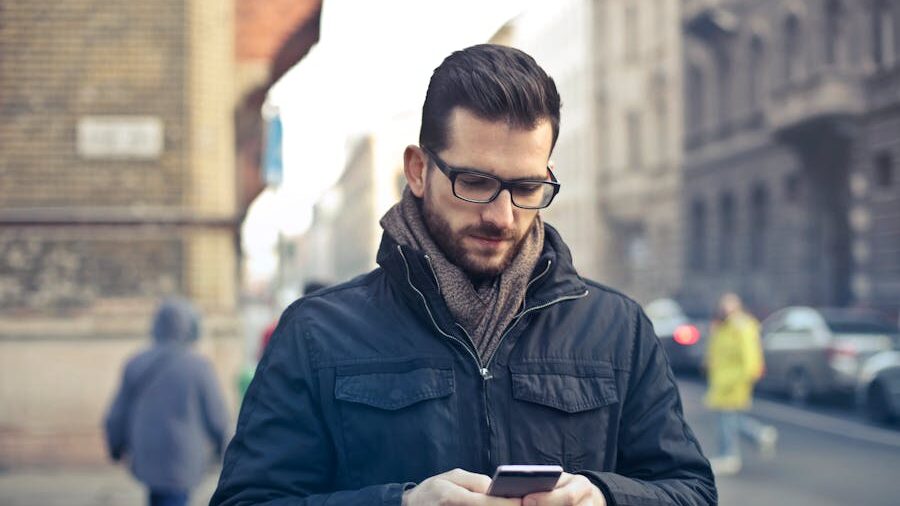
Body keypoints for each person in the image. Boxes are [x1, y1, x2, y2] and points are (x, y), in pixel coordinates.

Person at [211, 44, 715, 506]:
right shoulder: (315, 333)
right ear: (417, 170)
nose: (501, 215)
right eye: (474, 182)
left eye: (526, 187)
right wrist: (400, 505)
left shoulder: (619, 329)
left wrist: (605, 499)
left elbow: (692, 492)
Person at [105, 297, 230, 506]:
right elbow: (217, 416)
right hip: (184, 455)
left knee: (158, 498)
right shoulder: (199, 367)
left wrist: (115, 445)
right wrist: (222, 448)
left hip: (147, 454)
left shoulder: (137, 363)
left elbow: (118, 413)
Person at [704, 292, 778, 476]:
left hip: (733, 381)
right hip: (722, 381)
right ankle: (760, 434)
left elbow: (750, 358)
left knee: (726, 419)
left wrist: (745, 377)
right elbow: (716, 352)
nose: (724, 308)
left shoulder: (742, 326)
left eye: (728, 304)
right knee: (728, 418)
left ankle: (728, 455)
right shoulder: (723, 326)